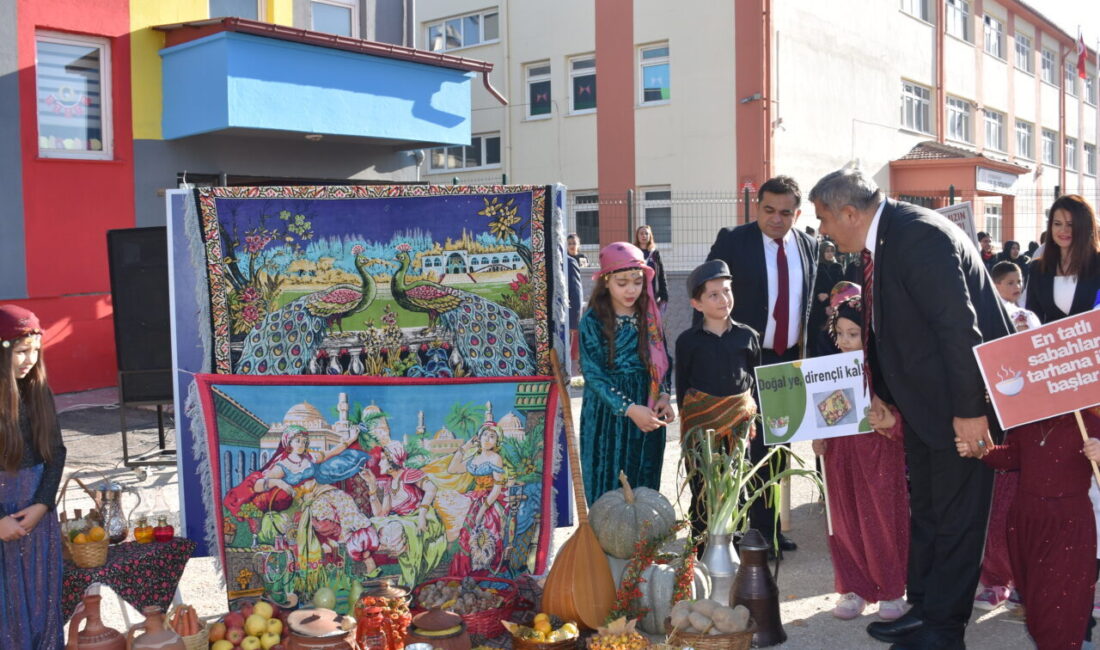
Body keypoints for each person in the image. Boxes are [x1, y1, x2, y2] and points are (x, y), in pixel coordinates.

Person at [810, 168, 1011, 650]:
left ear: (850, 213)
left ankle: (944, 630)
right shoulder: (881, 240)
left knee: (958, 519)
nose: (820, 229)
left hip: (961, 404)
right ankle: (923, 610)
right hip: (924, 404)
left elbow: (958, 329)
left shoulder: (918, 236)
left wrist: (969, 411)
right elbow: (886, 326)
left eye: (822, 218)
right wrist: (878, 392)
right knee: (929, 511)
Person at [702, 175, 819, 554]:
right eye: (769, 210)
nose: (776, 219)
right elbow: (705, 294)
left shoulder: (809, 245)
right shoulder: (733, 241)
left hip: (786, 361)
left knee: (776, 448)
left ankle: (767, 532)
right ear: (758, 207)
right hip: (742, 359)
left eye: (786, 213)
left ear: (797, 213)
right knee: (736, 447)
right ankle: (731, 532)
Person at [1018, 194, 1100, 648]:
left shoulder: (1099, 269)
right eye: (1056, 222)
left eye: (1070, 223)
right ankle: (1058, 601)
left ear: (1085, 227)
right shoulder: (1037, 269)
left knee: (1091, 491)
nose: (1062, 230)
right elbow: (1027, 322)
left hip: (1092, 392)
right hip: (1048, 393)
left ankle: (1082, 605)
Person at [810, 285, 909, 622]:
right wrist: (818, 439)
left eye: (853, 333)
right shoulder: (831, 368)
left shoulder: (888, 370)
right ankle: (853, 588)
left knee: (881, 521)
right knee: (844, 520)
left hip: (879, 457)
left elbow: (907, 420)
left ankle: (891, 590)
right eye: (839, 333)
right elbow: (821, 415)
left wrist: (891, 423)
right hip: (840, 457)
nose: (845, 341)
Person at [579, 242, 674, 503]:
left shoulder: (651, 316)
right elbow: (593, 373)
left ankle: (643, 545)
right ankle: (606, 545)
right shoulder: (593, 320)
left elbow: (665, 362)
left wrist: (664, 396)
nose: (631, 289)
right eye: (622, 283)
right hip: (607, 414)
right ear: (606, 281)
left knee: (645, 484)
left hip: (648, 405)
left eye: (637, 281)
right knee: (608, 488)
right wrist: (630, 408)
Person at [675, 260, 760, 543]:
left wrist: (748, 415)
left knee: (737, 485)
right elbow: (685, 391)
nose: (724, 299)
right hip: (702, 436)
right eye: (714, 294)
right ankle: (700, 548)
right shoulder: (688, 342)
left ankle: (733, 545)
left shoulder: (747, 336)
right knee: (702, 488)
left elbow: (753, 384)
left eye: (727, 291)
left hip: (737, 432)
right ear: (696, 304)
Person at [0, 305, 65, 650]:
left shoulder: (39, 392)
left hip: (37, 521)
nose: (30, 359)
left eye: (35, 350)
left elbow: (57, 454)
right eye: (21, 351)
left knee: (41, 606)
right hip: (3, 521)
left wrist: (42, 504)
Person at [447, 422, 508, 575]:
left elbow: (497, 488)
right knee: (465, 536)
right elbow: (452, 468)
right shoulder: (474, 458)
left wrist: (482, 511)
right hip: (475, 498)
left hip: (490, 501)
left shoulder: (495, 458)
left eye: (492, 436)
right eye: (485, 435)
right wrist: (466, 447)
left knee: (487, 531)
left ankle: (485, 573)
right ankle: (466, 574)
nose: (487, 439)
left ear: (497, 441)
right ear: (478, 438)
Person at [808, 241, 845, 355]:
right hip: (819, 308)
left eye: (832, 251)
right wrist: (818, 296)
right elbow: (811, 287)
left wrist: (833, 303)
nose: (830, 254)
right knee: (817, 337)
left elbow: (842, 286)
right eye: (827, 251)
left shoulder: (838, 266)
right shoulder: (816, 266)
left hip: (834, 306)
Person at [990, 261, 1040, 331]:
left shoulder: (1025, 313)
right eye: (1010, 283)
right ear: (995, 286)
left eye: (1019, 281)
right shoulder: (992, 315)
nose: (1017, 286)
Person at [634, 225, 669, 313]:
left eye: (646, 233)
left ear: (650, 236)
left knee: (652, 323)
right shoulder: (633, 253)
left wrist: (664, 295)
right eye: (641, 233)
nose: (644, 236)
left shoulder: (655, 254)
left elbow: (661, 275)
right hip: (637, 294)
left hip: (653, 295)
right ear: (637, 236)